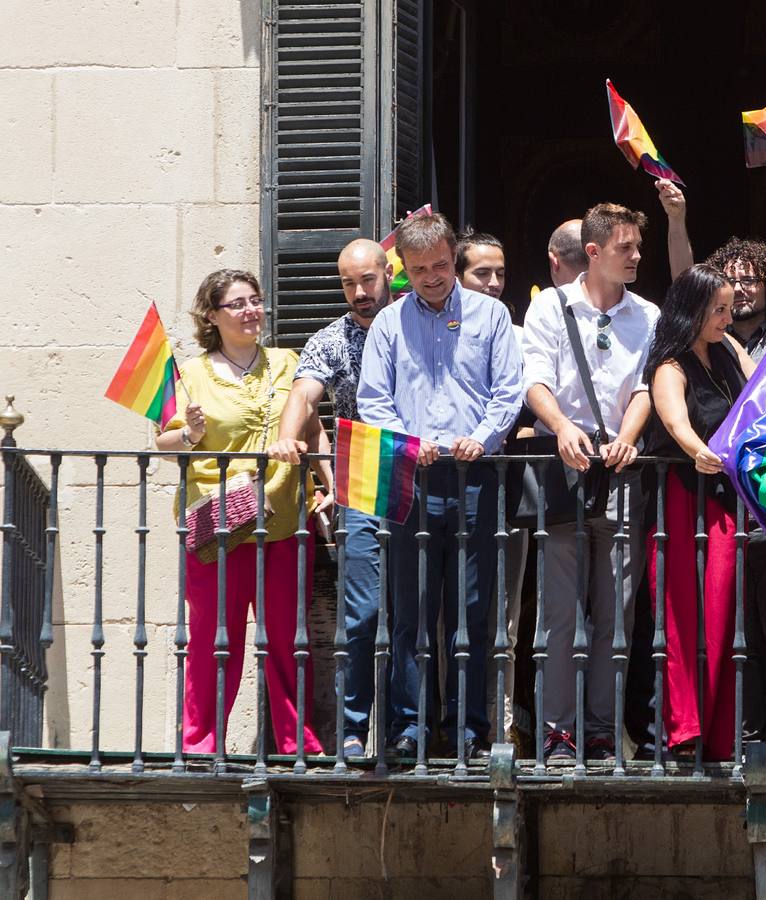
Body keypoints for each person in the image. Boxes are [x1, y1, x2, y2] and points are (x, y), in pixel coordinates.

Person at [358, 211, 525, 761]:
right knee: (410, 609)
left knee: (472, 610)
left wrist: (481, 437)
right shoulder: (387, 323)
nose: (432, 276)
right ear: (402, 269)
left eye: (441, 265)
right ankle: (409, 725)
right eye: (419, 268)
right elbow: (372, 399)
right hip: (412, 474)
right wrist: (409, 440)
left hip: (474, 475)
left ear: (454, 257)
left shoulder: (492, 315)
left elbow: (508, 391)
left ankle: (467, 727)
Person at [158, 268, 324, 756]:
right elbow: (165, 444)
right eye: (238, 303)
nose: (252, 310)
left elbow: (312, 428)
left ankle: (298, 743)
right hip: (218, 527)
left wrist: (329, 486)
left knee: (289, 643)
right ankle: (201, 744)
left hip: (283, 521)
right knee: (214, 642)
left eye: (255, 300)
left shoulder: (287, 363)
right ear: (212, 315)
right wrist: (188, 432)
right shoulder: (189, 375)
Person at [520, 202, 660, 762]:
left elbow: (649, 385)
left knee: (617, 612)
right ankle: (558, 732)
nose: (636, 256)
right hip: (565, 472)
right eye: (625, 248)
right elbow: (535, 380)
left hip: (623, 472)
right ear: (595, 253)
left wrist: (628, 437)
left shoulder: (648, 315)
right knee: (559, 612)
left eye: (637, 247)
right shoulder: (549, 309)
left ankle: (601, 730)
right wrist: (560, 428)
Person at [642, 265, 766, 760]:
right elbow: (674, 419)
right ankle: (684, 728)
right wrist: (694, 450)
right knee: (685, 616)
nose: (729, 318)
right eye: (720, 310)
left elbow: (759, 392)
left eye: (729, 309)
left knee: (724, 614)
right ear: (693, 311)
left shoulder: (727, 350)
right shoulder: (670, 364)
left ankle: (720, 728)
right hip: (684, 506)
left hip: (725, 505)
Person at [264, 239, 392, 758]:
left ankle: (418, 728)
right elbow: (304, 392)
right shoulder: (331, 339)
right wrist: (287, 437)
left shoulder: (415, 323)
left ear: (388, 273)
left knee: (423, 613)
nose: (359, 292)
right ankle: (356, 730)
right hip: (360, 464)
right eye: (348, 283)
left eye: (367, 280)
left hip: (418, 462)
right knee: (362, 612)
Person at [453, 227, 532, 752]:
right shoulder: (416, 327)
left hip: (498, 485)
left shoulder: (514, 328)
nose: (494, 283)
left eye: (501, 273)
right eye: (483, 273)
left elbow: (514, 395)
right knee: (440, 616)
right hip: (437, 479)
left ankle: (489, 730)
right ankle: (443, 727)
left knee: (498, 615)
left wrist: (494, 436)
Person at [659, 170, 766, 353]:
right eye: (729, 282)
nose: (738, 289)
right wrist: (675, 218)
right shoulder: (708, 334)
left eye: (748, 280)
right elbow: (686, 285)